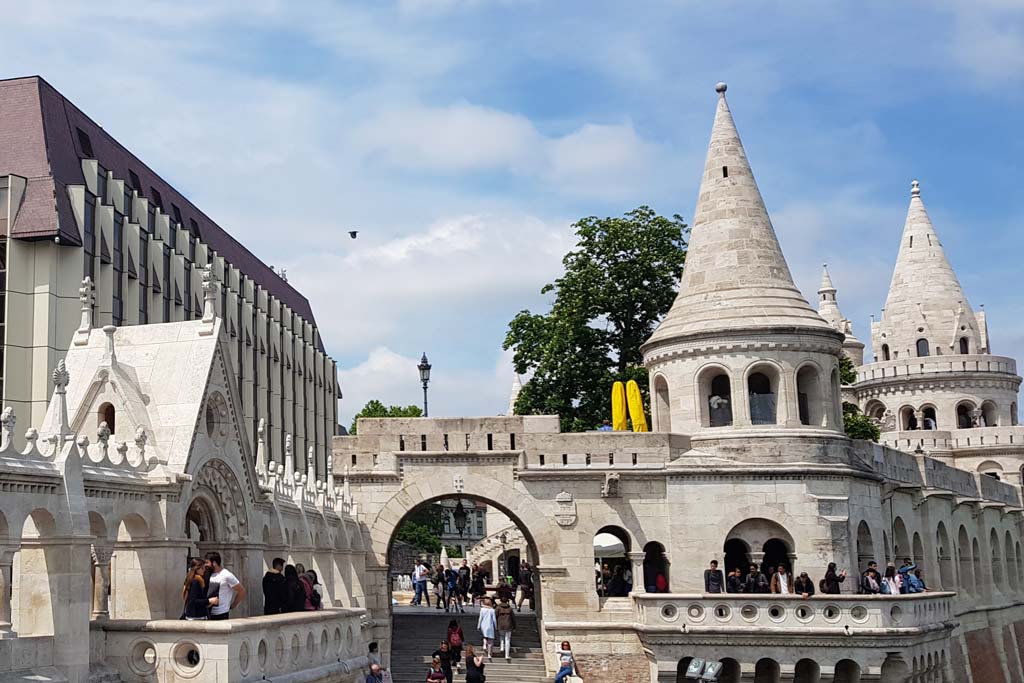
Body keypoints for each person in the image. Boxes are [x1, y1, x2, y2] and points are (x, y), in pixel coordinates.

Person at [205, 551, 245, 620]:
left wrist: (233, 605)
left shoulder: (227, 575)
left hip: (221, 613)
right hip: (208, 612)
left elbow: (241, 591)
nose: (205, 565)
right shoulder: (208, 574)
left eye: (207, 562)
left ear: (214, 563)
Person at [495, 596, 516, 662]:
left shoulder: (498, 608)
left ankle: (502, 647)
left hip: (500, 625)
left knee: (501, 636)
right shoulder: (510, 608)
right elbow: (513, 618)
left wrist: (495, 625)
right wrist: (514, 626)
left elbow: (495, 616)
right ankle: (507, 655)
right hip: (508, 625)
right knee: (508, 639)